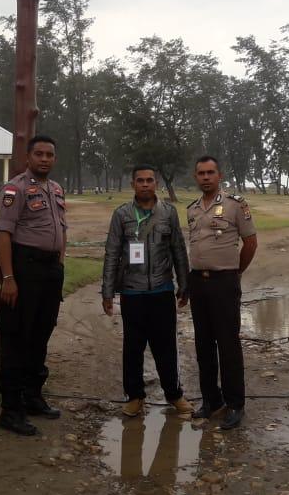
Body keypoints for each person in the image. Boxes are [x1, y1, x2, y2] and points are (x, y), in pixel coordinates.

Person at [102, 164, 193, 418]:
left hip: (162, 291)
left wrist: (184, 284)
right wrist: (107, 291)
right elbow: (111, 254)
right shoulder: (121, 215)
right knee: (133, 347)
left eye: (149, 180)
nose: (145, 184)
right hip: (132, 292)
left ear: (156, 183)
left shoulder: (169, 213)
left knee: (166, 346)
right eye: (140, 180)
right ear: (133, 184)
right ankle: (134, 396)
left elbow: (178, 249)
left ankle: (174, 394)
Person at [0, 135, 67, 436]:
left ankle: (33, 397)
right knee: (16, 338)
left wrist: (60, 264)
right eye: (39, 154)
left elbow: (62, 229)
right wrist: (8, 278)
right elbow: (3, 234)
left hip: (50, 271)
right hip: (24, 270)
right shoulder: (15, 189)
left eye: (50, 154)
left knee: (41, 335)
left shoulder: (56, 189)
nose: (45, 159)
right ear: (28, 158)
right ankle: (10, 410)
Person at [185, 155, 258, 430]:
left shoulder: (235, 205)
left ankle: (235, 404)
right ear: (196, 177)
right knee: (203, 344)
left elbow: (250, 242)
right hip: (198, 283)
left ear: (219, 175)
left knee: (228, 344)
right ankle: (211, 400)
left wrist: (236, 272)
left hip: (224, 282)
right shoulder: (192, 209)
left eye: (210, 172)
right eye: (201, 173)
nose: (205, 177)